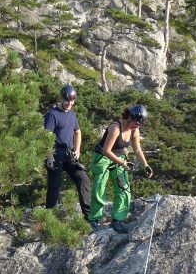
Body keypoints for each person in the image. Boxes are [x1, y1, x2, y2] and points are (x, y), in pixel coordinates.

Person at [89, 104, 152, 234]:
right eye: (135, 123)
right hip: (102, 157)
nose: (137, 126)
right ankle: (95, 219)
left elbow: (137, 149)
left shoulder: (135, 130)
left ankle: (117, 220)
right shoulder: (115, 128)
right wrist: (122, 163)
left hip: (119, 157)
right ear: (129, 117)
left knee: (124, 189)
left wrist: (145, 165)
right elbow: (106, 151)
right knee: (99, 187)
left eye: (139, 125)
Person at [43, 84, 91, 220]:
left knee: (83, 179)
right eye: (67, 100)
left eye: (72, 101)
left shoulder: (72, 114)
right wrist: (49, 157)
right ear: (61, 98)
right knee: (54, 186)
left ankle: (88, 216)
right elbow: (46, 137)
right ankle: (49, 218)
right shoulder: (52, 115)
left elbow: (78, 132)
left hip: (69, 154)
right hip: (55, 154)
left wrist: (77, 149)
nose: (69, 103)